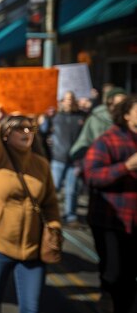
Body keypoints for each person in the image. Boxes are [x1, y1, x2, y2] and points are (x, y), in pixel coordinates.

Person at [0, 50, 61, 313]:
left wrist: (54, 226)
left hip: (33, 254)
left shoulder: (41, 165)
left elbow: (51, 204)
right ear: (7, 133)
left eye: (30, 128)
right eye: (20, 128)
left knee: (31, 309)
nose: (26, 132)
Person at [83, 94, 137, 313]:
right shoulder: (107, 140)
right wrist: (125, 166)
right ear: (126, 115)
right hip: (111, 222)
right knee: (115, 276)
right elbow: (92, 176)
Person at [40, 91, 86, 225]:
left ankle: (70, 216)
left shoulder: (81, 117)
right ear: (62, 101)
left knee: (72, 190)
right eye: (66, 99)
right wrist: (46, 117)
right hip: (58, 158)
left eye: (71, 98)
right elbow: (42, 131)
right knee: (54, 188)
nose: (69, 101)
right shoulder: (55, 116)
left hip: (75, 160)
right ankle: (49, 214)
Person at [69, 87, 127, 161]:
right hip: (96, 158)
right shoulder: (97, 117)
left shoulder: (125, 119)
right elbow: (92, 141)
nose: (124, 102)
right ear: (110, 100)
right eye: (121, 98)